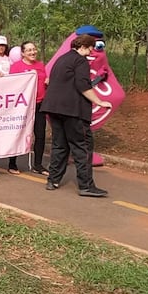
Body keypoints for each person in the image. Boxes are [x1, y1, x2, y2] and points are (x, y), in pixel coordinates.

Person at [41, 34, 112, 197]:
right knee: (83, 147)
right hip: (73, 111)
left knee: (60, 145)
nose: (91, 52)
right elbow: (83, 85)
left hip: (54, 109)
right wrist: (100, 102)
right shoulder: (80, 61)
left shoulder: (62, 59)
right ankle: (86, 185)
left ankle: (53, 180)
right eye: (90, 48)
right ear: (84, 46)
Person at [8, 41, 49, 175]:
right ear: (23, 53)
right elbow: (12, 85)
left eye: (34, 49)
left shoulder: (40, 65)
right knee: (18, 133)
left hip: (39, 104)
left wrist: (47, 81)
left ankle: (38, 164)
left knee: (40, 135)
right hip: (23, 106)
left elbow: (45, 81)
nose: (32, 52)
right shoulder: (16, 67)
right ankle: (12, 163)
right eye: (29, 50)